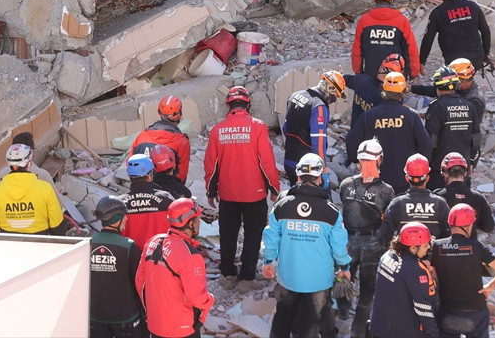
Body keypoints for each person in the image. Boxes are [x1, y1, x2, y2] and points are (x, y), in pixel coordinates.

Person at [262, 153, 352, 338]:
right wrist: (344, 267)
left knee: (283, 318)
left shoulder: (281, 206)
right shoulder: (331, 211)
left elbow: (271, 236)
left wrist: (268, 261)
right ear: (320, 179)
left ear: (298, 177)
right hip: (318, 280)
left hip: (289, 276)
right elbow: (338, 246)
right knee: (310, 322)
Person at [203, 85, 280, 292]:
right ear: (248, 104)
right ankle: (246, 279)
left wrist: (211, 191)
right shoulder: (258, 126)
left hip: (228, 195)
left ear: (229, 105)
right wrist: (273, 187)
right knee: (253, 236)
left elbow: (211, 163)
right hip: (254, 195)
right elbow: (266, 162)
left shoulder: (218, 130)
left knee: (227, 235)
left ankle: (227, 276)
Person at [338, 139, 397, 338]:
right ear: (379, 159)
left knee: (344, 279)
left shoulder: (346, 185)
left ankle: (343, 315)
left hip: (348, 242)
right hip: (373, 242)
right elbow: (387, 221)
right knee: (368, 290)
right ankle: (358, 331)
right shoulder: (387, 191)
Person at [429, 204, 495, 338]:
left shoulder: (437, 246)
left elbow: (431, 272)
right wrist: (491, 287)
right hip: (475, 312)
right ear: (468, 226)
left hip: (447, 311)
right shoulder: (477, 247)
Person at [136, 198, 214, 338]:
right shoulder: (190, 255)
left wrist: (149, 311)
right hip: (182, 328)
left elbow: (140, 281)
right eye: (197, 220)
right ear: (190, 224)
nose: (199, 223)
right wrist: (210, 300)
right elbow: (197, 298)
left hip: (155, 325)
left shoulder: (153, 242)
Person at [347, 71, 432, 194]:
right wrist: (419, 169)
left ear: (383, 89)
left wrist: (356, 161)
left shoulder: (369, 115)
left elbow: (351, 140)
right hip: (404, 180)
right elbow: (426, 144)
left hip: (375, 181)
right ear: (403, 92)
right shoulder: (411, 116)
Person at [368, 222, 440, 338]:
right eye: (425, 245)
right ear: (413, 248)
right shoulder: (415, 270)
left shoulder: (388, 255)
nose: (428, 247)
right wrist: (434, 333)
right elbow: (423, 307)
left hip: (379, 326)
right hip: (401, 332)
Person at [90, 195, 145, 338]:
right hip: (125, 318)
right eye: (124, 216)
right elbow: (140, 283)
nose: (126, 219)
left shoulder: (87, 243)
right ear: (116, 219)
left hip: (96, 317)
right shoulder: (128, 246)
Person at [418, 0, 491, 72]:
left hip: (453, 61)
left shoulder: (437, 13)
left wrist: (422, 61)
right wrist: (486, 53)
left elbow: (428, 39)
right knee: (468, 82)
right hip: (476, 58)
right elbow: (485, 30)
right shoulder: (473, 7)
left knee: (455, 85)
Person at [0, 142, 63, 234]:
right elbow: (57, 225)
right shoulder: (45, 188)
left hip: (8, 244)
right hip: (40, 244)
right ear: (29, 163)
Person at [282, 70, 346, 184]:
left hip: (289, 161)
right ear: (330, 89)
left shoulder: (294, 96)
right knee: (322, 199)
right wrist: (324, 170)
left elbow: (285, 128)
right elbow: (319, 142)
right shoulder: (319, 107)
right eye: (336, 95)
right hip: (308, 170)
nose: (334, 99)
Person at [424, 66, 481, 188]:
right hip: (462, 168)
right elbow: (476, 138)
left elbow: (431, 140)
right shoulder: (469, 106)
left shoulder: (436, 107)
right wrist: (472, 162)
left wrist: (427, 163)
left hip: (440, 170)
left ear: (438, 87)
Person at [352, 0, 421, 80]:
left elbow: (357, 50)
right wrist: (413, 73)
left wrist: (358, 73)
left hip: (370, 75)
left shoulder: (364, 21)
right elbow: (410, 49)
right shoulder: (401, 21)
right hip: (395, 76)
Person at [381, 154, 451, 245]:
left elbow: (385, 235)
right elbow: (449, 236)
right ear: (428, 178)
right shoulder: (440, 203)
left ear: (407, 178)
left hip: (403, 257)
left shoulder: (396, 203)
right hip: (433, 257)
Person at [131, 94, 192, 190]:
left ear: (159, 113)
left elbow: (131, 165)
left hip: (142, 193)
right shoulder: (181, 142)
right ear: (178, 115)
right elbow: (181, 175)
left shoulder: (142, 137)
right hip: (169, 195)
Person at [122, 153, 177, 250]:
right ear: (150, 175)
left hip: (130, 259)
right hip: (160, 259)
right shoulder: (166, 199)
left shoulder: (120, 203)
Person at [411, 58, 487, 126]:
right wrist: (411, 88)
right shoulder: (459, 88)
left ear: (461, 80)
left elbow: (457, 120)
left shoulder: (475, 100)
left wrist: (426, 115)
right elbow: (436, 90)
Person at [437, 153, 495, 236]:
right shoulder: (478, 197)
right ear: (465, 173)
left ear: (445, 174)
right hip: (471, 246)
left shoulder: (438, 197)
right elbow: (489, 227)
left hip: (444, 247)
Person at [346, 54, 403, 125]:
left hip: (356, 132)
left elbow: (343, 79)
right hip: (376, 134)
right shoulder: (392, 98)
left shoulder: (361, 81)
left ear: (380, 67)